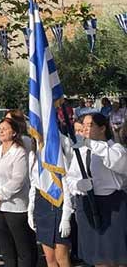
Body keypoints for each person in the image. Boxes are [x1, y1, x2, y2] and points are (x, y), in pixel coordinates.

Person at [66, 113, 127, 267]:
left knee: (117, 258)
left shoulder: (115, 148)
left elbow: (118, 163)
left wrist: (91, 144)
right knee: (97, 259)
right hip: (88, 205)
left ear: (102, 128)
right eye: (84, 125)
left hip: (112, 206)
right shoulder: (81, 152)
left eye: (90, 125)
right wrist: (79, 185)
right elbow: (70, 178)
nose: (85, 129)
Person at [0, 118, 37, 267]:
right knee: (6, 247)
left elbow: (18, 179)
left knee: (23, 248)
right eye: (0, 128)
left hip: (15, 207)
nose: (1, 131)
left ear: (14, 132)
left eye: (5, 128)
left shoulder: (19, 152)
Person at [27, 135, 73, 267]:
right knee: (50, 258)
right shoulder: (33, 154)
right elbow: (33, 184)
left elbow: (67, 187)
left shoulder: (58, 152)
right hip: (41, 205)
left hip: (58, 204)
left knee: (61, 257)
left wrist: (66, 217)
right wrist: (30, 210)